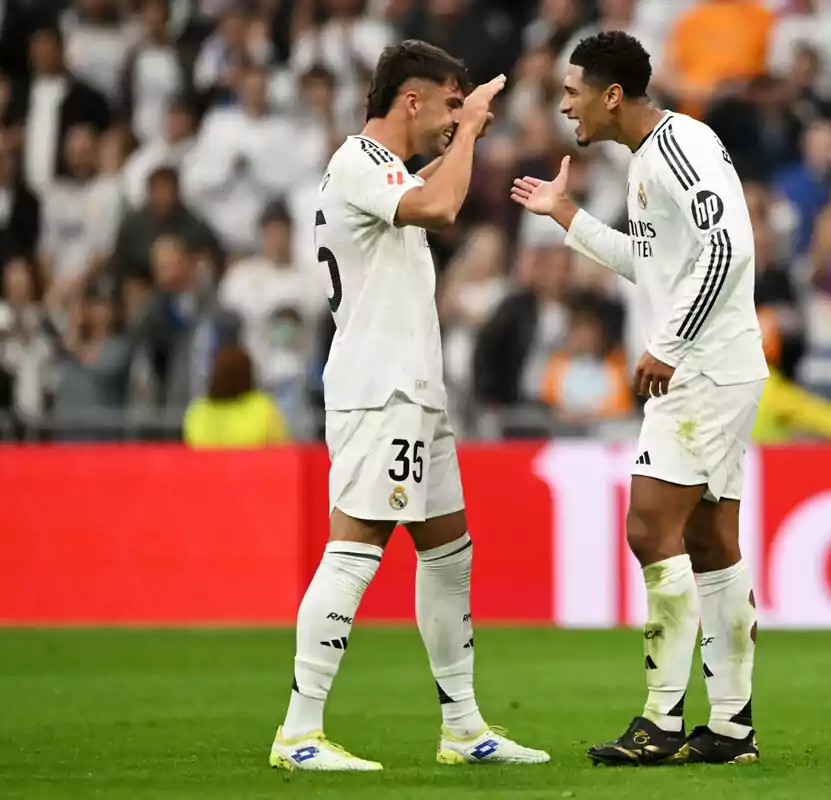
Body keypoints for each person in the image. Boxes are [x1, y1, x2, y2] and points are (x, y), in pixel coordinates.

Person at [269, 40, 549, 772]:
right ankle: (299, 732)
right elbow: (441, 204)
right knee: (354, 551)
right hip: (379, 391)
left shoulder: (383, 170)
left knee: (450, 555)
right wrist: (472, 133)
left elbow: (423, 190)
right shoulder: (359, 159)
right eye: (450, 105)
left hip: (416, 392)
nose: (455, 120)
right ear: (412, 99)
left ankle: (463, 726)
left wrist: (468, 133)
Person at [512, 30, 768, 766]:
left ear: (611, 94)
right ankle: (730, 728)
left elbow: (729, 250)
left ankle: (660, 721)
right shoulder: (650, 159)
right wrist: (568, 217)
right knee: (709, 542)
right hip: (711, 367)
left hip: (704, 371)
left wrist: (670, 344)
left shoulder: (681, 147)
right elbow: (652, 264)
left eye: (572, 92)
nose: (565, 106)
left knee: (648, 528)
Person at [183, 345, 290, 448]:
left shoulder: (197, 411)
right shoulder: (262, 407)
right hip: (254, 466)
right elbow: (281, 449)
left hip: (209, 466)